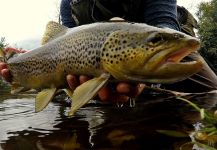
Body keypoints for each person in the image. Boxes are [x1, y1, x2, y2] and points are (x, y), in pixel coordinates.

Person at [0, 0, 216, 103]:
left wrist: (149, 79)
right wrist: (24, 61)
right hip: (81, 63)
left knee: (212, 92)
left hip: (164, 43)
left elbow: (164, 22)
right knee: (60, 95)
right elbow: (61, 39)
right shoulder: (70, 2)